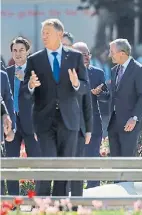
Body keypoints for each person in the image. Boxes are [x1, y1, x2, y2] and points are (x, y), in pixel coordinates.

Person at [22, 18, 89, 196]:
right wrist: (30, 85)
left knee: (65, 166)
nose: (44, 36)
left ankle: (59, 204)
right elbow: (24, 92)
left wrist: (76, 84)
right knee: (48, 162)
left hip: (69, 120)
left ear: (60, 34)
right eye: (42, 33)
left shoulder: (75, 57)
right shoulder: (35, 59)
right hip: (44, 120)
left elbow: (85, 87)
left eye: (47, 33)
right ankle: (42, 203)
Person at [5, 37, 41, 195]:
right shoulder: (6, 73)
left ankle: (39, 199)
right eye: (14, 50)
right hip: (11, 125)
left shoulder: (36, 73)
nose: (18, 54)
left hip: (32, 125)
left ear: (27, 52)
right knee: (11, 164)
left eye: (21, 50)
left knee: (37, 164)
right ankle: (13, 201)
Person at [73, 41, 108, 188]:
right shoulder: (67, 74)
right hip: (73, 124)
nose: (86, 57)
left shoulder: (98, 72)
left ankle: (94, 192)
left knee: (93, 158)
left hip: (93, 124)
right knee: (74, 161)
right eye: (82, 55)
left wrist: (99, 94)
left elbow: (106, 97)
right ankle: (74, 192)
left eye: (87, 54)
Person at [107, 39, 142, 158]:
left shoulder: (139, 69)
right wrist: (100, 93)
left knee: (128, 160)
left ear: (122, 53)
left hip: (130, 124)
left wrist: (134, 118)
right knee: (115, 161)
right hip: (114, 123)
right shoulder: (114, 70)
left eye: (112, 52)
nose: (110, 55)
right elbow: (114, 95)